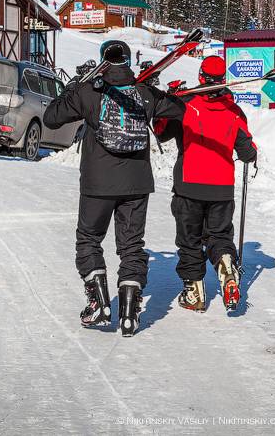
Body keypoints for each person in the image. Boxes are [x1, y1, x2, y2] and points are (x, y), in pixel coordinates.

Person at [44, 39, 184, 337]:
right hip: (136, 182)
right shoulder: (143, 92)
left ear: (102, 59)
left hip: (97, 182)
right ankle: (130, 314)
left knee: (89, 240)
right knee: (131, 246)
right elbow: (178, 110)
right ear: (128, 60)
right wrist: (160, 91)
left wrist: (73, 86)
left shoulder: (88, 92)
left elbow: (51, 118)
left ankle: (98, 302)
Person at [154, 56, 257, 313]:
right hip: (221, 188)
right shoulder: (234, 111)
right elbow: (247, 151)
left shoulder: (186, 105)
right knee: (219, 235)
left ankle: (194, 293)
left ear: (201, 76)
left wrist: (170, 99)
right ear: (223, 80)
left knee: (189, 240)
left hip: (189, 185)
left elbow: (161, 132)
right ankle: (225, 263)